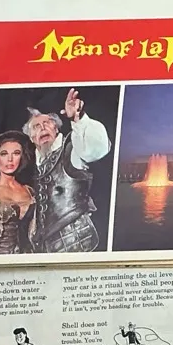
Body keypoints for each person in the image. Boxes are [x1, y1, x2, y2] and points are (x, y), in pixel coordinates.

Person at [24, 88, 111, 254]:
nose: (42, 128)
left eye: (47, 123)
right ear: (31, 137)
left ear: (56, 128)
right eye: (36, 126)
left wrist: (79, 119)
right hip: (45, 246)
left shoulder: (72, 149)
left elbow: (96, 149)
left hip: (76, 240)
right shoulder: (35, 164)